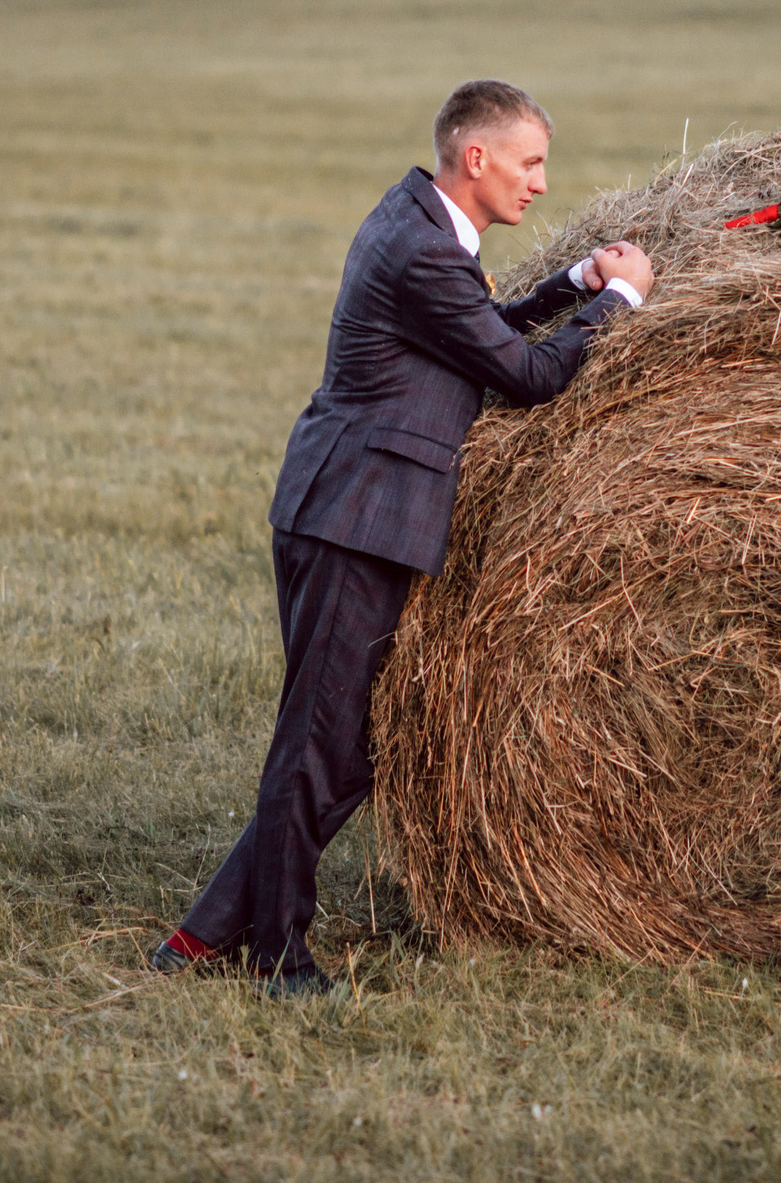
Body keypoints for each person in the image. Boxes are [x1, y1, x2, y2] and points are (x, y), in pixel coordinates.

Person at [151, 79, 653, 996]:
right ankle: (279, 958)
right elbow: (530, 377)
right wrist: (615, 302)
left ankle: (203, 934)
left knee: (345, 749)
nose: (540, 182)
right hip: (356, 517)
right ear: (476, 158)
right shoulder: (425, 251)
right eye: (530, 162)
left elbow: (475, 340)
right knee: (316, 748)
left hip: (354, 509)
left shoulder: (420, 227)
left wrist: (568, 284)